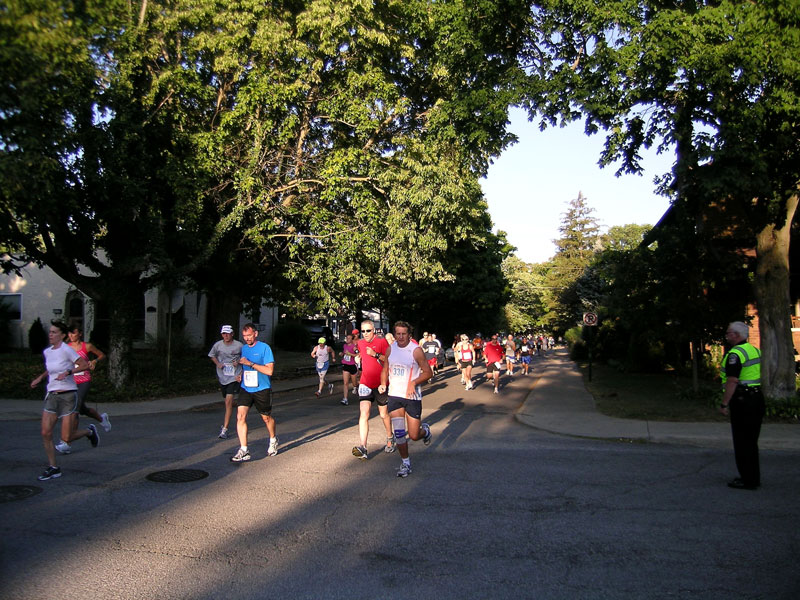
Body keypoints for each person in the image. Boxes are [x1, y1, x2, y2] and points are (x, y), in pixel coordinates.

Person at [30, 321, 98, 481]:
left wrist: (68, 372)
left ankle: (89, 431)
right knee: (45, 432)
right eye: (50, 332)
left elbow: (83, 365)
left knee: (66, 437)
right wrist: (40, 377)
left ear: (61, 335)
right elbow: (51, 368)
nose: (50, 334)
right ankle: (54, 467)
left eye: (54, 332)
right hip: (52, 394)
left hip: (68, 395)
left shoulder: (67, 350)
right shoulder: (48, 352)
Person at [718, 321, 765, 490]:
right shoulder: (754, 350)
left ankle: (747, 480)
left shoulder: (735, 354)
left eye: (728, 333)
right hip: (756, 398)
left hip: (743, 400)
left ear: (736, 335)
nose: (727, 335)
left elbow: (732, 381)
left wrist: (724, 404)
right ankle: (753, 477)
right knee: (751, 441)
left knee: (742, 441)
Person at [385, 321, 433, 477]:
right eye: (397, 333)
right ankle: (406, 463)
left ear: (409, 335)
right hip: (394, 396)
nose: (400, 337)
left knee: (413, 435)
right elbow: (385, 368)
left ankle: (424, 432)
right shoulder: (390, 349)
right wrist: (381, 383)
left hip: (412, 397)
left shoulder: (416, 351)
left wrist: (414, 382)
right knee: (399, 433)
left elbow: (428, 372)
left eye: (403, 334)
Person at [55, 323, 110, 454]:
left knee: (74, 409)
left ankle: (66, 443)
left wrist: (95, 361)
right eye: (69, 333)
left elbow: (102, 355)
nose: (71, 336)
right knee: (81, 409)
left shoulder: (87, 346)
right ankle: (101, 419)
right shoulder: (66, 347)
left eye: (73, 333)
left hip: (84, 381)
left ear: (79, 333)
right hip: (71, 382)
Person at [230, 323, 278, 462]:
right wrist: (241, 374)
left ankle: (273, 439)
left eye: (249, 335)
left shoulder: (265, 348)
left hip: (262, 388)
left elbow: (269, 371)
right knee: (240, 417)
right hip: (246, 388)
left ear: (255, 334)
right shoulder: (244, 348)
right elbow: (245, 366)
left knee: (266, 418)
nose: (247, 338)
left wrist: (250, 363)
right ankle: (244, 449)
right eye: (244, 336)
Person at [353, 319, 393, 458]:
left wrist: (374, 354)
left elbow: (389, 360)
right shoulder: (360, 343)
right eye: (363, 331)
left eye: (368, 331)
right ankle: (363, 447)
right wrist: (358, 361)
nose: (365, 334)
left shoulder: (382, 342)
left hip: (381, 384)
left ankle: (390, 438)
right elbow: (362, 358)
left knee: (383, 414)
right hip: (365, 383)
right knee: (364, 414)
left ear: (374, 330)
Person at [208, 324, 243, 439]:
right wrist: (218, 363)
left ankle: (225, 429)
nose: (226, 335)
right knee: (227, 401)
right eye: (224, 333)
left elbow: (246, 358)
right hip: (223, 376)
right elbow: (212, 355)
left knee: (228, 401)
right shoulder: (218, 345)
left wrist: (238, 363)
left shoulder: (239, 345)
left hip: (234, 376)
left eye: (228, 333)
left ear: (232, 334)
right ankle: (236, 405)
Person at [340, 333, 359, 405]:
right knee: (345, 383)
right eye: (346, 338)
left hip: (352, 366)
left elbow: (358, 354)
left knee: (354, 383)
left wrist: (350, 354)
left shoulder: (354, 347)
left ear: (351, 340)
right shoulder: (344, 345)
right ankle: (345, 399)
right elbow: (344, 352)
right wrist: (342, 354)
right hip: (346, 365)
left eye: (349, 338)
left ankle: (356, 386)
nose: (347, 339)